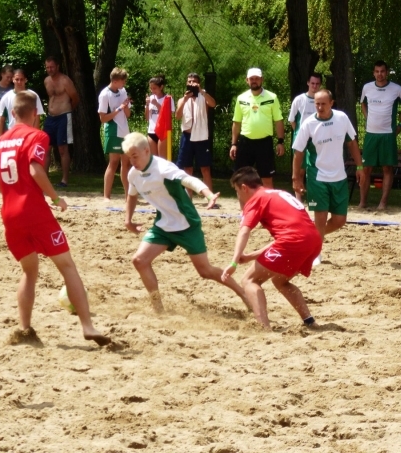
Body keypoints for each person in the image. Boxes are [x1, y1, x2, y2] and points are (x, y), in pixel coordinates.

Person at [0, 91, 110, 347]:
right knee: (67, 267)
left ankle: (24, 328)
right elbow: (36, 169)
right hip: (34, 212)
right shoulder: (38, 135)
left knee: (29, 272)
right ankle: (87, 326)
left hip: (9, 214)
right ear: (35, 113)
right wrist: (56, 199)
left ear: (13, 114)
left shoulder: (0, 142)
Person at [122, 133, 249, 314]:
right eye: (129, 157)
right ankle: (158, 309)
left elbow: (189, 180)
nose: (132, 161)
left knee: (205, 271)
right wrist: (128, 220)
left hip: (186, 224)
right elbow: (132, 196)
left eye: (135, 156)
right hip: (163, 225)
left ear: (146, 151)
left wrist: (208, 194)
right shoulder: (133, 174)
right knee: (139, 261)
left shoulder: (163, 168)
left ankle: (243, 293)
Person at [221, 167, 322, 329]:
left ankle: (264, 327)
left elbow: (244, 231)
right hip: (314, 240)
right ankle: (309, 321)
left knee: (249, 280)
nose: (238, 196)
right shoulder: (277, 193)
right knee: (280, 280)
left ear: (244, 188)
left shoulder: (256, 199)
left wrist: (233, 263)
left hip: (293, 241)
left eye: (237, 191)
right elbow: (287, 235)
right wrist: (251, 256)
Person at [292, 90, 363, 256]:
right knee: (321, 216)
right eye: (317, 103)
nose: (320, 107)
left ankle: (312, 236)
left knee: (339, 220)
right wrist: (296, 177)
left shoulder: (342, 118)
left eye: (323, 103)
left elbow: (352, 143)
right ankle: (315, 253)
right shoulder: (308, 124)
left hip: (339, 176)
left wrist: (360, 167)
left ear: (331, 103)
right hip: (317, 176)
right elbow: (298, 152)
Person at [359, 60, 401, 210]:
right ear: (373, 73)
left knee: (387, 168)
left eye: (382, 71)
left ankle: (383, 203)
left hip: (388, 134)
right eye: (377, 71)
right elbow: (362, 104)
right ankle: (362, 202)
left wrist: (400, 124)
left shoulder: (396, 89)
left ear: (387, 72)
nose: (379, 74)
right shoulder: (367, 88)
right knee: (366, 169)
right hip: (371, 135)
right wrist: (368, 118)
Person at [229, 68, 285, 188]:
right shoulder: (241, 98)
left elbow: (278, 120)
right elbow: (236, 122)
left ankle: (267, 207)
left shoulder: (272, 97)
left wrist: (280, 141)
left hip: (264, 143)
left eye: (257, 78)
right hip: (245, 142)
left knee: (267, 178)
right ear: (247, 80)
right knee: (241, 179)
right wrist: (234, 144)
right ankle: (245, 207)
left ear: (262, 80)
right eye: (251, 79)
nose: (254, 81)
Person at [43, 56, 80, 188]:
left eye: (52, 67)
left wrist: (68, 110)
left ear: (57, 66)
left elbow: (75, 98)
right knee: (46, 147)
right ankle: (44, 178)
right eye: (47, 67)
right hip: (50, 117)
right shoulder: (46, 80)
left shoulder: (65, 80)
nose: (50, 69)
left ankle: (64, 179)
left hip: (63, 116)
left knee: (63, 149)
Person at [175, 73, 216, 191]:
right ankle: (189, 198)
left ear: (198, 83)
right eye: (189, 81)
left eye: (194, 81)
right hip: (187, 136)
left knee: (205, 168)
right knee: (187, 168)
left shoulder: (203, 96)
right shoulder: (182, 99)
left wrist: (202, 92)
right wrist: (185, 99)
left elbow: (213, 104)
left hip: (201, 136)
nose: (191, 83)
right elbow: (177, 116)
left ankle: (210, 197)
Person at [98, 67, 132, 200]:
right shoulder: (104, 94)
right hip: (113, 130)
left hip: (124, 130)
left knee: (126, 163)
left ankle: (128, 195)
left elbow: (128, 114)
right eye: (123, 81)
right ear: (116, 81)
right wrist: (119, 109)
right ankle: (106, 196)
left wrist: (126, 105)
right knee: (113, 162)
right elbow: (103, 118)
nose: (124, 84)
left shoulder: (123, 91)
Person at [288, 73, 322, 201]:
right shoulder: (299, 99)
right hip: (301, 139)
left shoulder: (322, 101)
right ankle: (298, 200)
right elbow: (292, 121)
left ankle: (314, 198)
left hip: (317, 139)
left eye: (317, 84)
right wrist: (301, 134)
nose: (314, 86)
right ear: (308, 83)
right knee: (300, 170)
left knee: (313, 170)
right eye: (312, 83)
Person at [0, 69, 45, 135]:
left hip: (29, 134)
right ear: (13, 79)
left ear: (25, 80)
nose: (19, 82)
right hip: (13, 134)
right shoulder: (6, 97)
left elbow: (37, 117)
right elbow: (1, 120)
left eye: (21, 79)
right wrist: (0, 139)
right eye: (17, 79)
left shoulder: (33, 96)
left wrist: (34, 135)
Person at [145, 75, 175, 157]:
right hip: (151, 131)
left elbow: (168, 115)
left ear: (161, 87)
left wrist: (157, 104)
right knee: (154, 160)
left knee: (162, 160)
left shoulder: (168, 99)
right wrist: (147, 105)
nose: (152, 90)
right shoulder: (150, 98)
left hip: (163, 131)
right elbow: (147, 118)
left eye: (154, 88)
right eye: (151, 88)